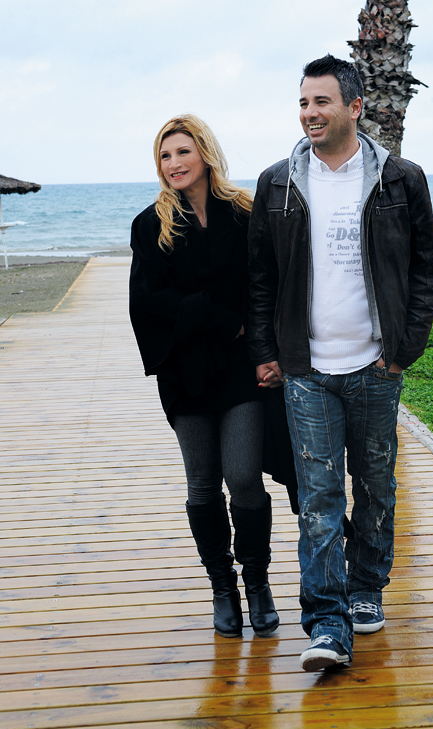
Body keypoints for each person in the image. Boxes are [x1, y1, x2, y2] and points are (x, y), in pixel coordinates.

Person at [248, 55, 433, 671]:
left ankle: (366, 589)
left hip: (375, 367)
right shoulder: (277, 183)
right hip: (306, 371)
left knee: (376, 486)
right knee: (319, 495)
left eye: (321, 102)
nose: (309, 113)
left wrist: (403, 350)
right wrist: (267, 353)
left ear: (355, 108)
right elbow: (261, 279)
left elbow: (425, 272)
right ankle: (327, 624)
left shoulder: (401, 180)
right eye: (303, 103)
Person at [129, 114, 279, 639]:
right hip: (184, 369)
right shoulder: (151, 225)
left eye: (182, 152)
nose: (174, 163)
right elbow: (148, 303)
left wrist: (267, 348)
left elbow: (266, 283)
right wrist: (216, 316)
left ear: (205, 154)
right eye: (165, 155)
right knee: (201, 484)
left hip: (239, 367)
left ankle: (257, 582)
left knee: (244, 477)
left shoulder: (244, 212)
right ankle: (222, 587)